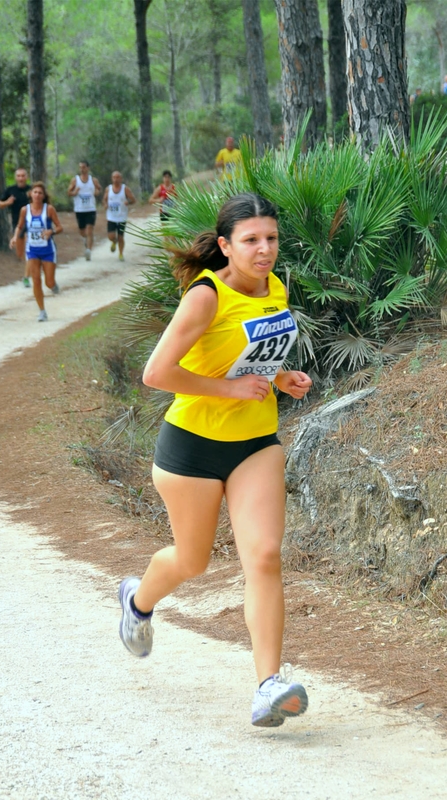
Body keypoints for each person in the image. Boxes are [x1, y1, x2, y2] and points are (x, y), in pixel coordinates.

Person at [118, 193, 313, 729]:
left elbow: (254, 355)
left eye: (271, 238)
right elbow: (156, 374)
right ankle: (137, 602)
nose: (265, 250)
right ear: (226, 245)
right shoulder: (206, 296)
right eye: (251, 240)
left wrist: (280, 378)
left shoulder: (275, 288)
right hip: (192, 448)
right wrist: (228, 390)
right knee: (192, 561)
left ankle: (267, 686)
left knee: (265, 555)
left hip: (255, 442)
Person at [10, 182, 63, 322]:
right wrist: (15, 237)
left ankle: (53, 285)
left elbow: (59, 227)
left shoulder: (49, 209)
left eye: (40, 193)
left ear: (44, 196)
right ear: (30, 194)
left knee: (48, 282)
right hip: (32, 250)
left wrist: (51, 231)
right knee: (36, 280)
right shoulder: (25, 210)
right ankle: (42, 311)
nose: (37, 195)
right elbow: (20, 226)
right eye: (35, 192)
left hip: (48, 250)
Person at [0, 168, 31, 287]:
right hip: (18, 224)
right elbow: (0, 204)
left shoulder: (32, 190)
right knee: (20, 253)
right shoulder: (10, 190)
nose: (21, 178)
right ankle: (28, 270)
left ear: (26, 177)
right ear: (15, 177)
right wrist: (8, 202)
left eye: (23, 176)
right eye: (19, 176)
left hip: (32, 224)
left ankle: (26, 277)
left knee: (29, 251)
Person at [67, 160, 102, 261]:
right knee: (82, 232)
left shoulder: (93, 180)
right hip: (79, 209)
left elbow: (99, 189)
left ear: (88, 168)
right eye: (80, 167)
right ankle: (87, 239)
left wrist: (97, 192)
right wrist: (75, 192)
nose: (82, 169)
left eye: (84, 167)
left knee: (90, 229)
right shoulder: (75, 180)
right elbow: (69, 193)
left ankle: (88, 251)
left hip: (90, 209)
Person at [103, 171, 136, 262]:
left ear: (121, 179)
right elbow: (105, 199)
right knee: (111, 236)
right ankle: (114, 241)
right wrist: (105, 205)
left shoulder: (125, 189)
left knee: (121, 237)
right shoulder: (108, 189)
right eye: (114, 177)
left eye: (118, 177)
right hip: (111, 217)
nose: (116, 179)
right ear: (111, 178)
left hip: (122, 217)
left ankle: (121, 253)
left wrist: (128, 202)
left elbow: (133, 200)